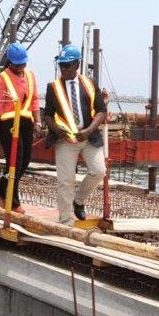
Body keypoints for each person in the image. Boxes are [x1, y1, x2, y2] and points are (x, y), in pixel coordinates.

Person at [43, 45, 107, 224]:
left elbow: (102, 111)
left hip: (88, 138)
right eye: (61, 65)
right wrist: (57, 130)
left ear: (77, 65)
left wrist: (88, 130)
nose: (63, 69)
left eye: (67, 66)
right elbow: (47, 115)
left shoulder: (89, 83)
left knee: (99, 171)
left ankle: (78, 200)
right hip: (65, 140)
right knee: (65, 181)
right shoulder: (53, 87)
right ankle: (64, 221)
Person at [0, 42, 42, 213]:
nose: (22, 67)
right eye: (18, 64)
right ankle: (13, 200)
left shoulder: (30, 76)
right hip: (8, 124)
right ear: (10, 62)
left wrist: (38, 121)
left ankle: (0, 190)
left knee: (24, 161)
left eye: (24, 63)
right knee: (14, 161)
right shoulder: (2, 79)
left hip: (26, 122)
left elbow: (34, 100)